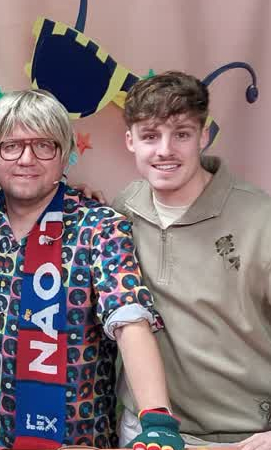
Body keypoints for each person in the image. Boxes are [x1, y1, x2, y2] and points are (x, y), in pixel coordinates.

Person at [0, 89, 183, 450]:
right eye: (11, 146)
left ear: (64, 154)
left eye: (44, 146)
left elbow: (129, 317)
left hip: (76, 440)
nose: (26, 159)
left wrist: (157, 418)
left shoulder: (99, 226)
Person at [114, 71, 271, 450]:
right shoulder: (122, 209)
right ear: (130, 141)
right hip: (146, 430)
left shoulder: (261, 219)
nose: (165, 150)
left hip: (242, 435)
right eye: (150, 136)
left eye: (181, 134)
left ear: (203, 136)